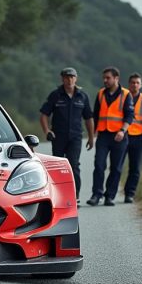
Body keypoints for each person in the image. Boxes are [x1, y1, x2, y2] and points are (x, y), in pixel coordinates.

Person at [40, 67, 94, 205]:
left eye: (72, 77)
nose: (69, 80)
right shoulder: (55, 95)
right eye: (66, 77)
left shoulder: (82, 96)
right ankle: (57, 196)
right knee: (57, 166)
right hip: (58, 137)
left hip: (75, 137)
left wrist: (91, 137)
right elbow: (44, 115)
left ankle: (74, 196)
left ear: (76, 78)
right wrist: (47, 131)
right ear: (62, 79)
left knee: (73, 165)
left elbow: (88, 118)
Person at [87, 67, 134, 206]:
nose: (105, 80)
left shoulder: (126, 94)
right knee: (99, 165)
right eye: (104, 78)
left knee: (116, 168)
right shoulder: (101, 93)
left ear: (116, 78)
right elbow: (95, 115)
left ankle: (109, 196)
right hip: (103, 135)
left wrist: (122, 130)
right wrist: (93, 134)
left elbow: (130, 115)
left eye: (108, 78)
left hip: (119, 136)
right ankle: (96, 195)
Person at [122, 73, 142, 203]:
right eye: (132, 82)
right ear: (128, 84)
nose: (135, 85)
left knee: (134, 168)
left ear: (140, 85)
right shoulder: (122, 97)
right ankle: (110, 194)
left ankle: (129, 194)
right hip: (123, 136)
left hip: (138, 138)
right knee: (117, 166)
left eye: (137, 83)